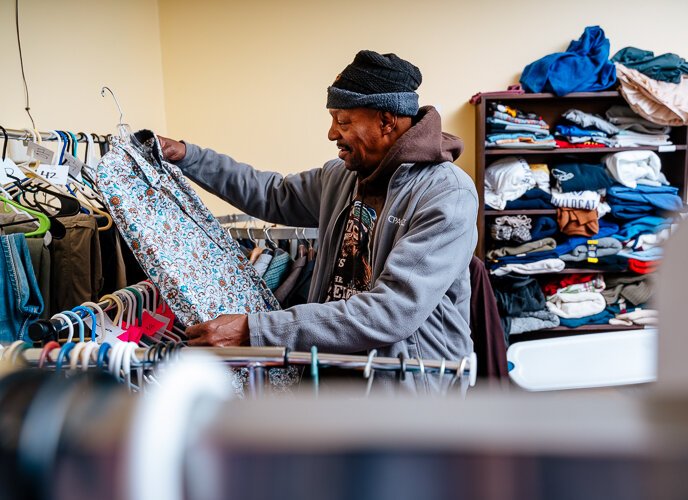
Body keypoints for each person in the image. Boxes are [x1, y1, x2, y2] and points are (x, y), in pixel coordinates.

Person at [158, 50, 478, 384]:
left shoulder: (447, 195)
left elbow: (392, 310)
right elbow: (270, 193)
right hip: (331, 371)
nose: (331, 134)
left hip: (405, 387)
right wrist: (187, 156)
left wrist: (255, 330)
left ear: (386, 121)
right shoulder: (340, 177)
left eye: (343, 122)